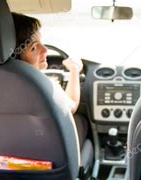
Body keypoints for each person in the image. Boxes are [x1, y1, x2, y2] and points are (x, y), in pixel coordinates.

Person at [11, 12, 88, 148]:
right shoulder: (43, 87)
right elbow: (72, 107)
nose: (45, 49)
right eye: (34, 47)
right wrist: (74, 70)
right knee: (80, 122)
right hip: (40, 162)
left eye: (41, 42)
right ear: (13, 55)